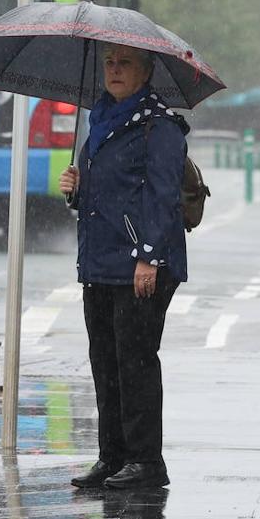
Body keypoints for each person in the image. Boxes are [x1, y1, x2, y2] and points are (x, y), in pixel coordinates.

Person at [59, 42, 188, 491]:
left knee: (134, 362)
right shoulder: (100, 122)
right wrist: (76, 187)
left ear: (146, 71)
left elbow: (162, 195)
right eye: (109, 63)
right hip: (99, 261)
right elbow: (102, 198)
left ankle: (146, 461)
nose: (114, 70)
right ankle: (112, 456)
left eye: (124, 63)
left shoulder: (160, 127)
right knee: (105, 362)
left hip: (141, 264)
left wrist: (149, 257)